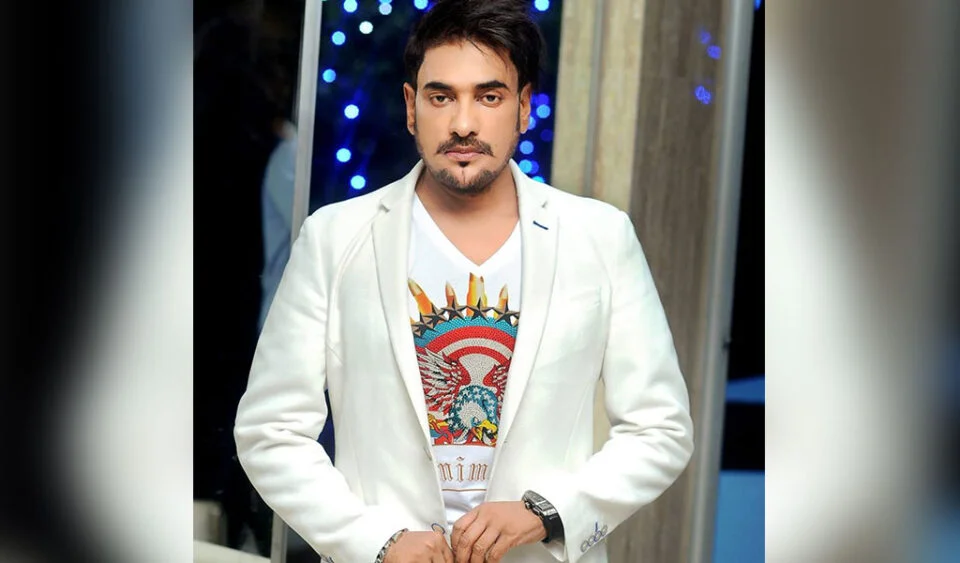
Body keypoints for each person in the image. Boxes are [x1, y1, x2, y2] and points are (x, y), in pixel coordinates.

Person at [234, 1, 694, 562]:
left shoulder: (599, 237)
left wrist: (546, 512)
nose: (463, 124)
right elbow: (271, 432)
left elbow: (660, 429)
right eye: (441, 96)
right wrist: (374, 542)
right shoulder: (336, 238)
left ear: (524, 107)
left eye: (489, 96)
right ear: (411, 107)